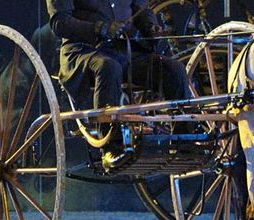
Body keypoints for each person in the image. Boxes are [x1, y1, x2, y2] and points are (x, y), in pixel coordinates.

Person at [46, 0, 191, 171]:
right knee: (109, 66)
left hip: (124, 51)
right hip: (84, 51)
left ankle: (184, 143)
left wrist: (150, 26)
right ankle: (110, 149)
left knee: (174, 70)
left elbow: (142, 9)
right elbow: (59, 23)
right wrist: (99, 28)